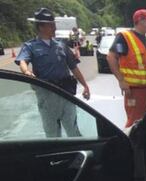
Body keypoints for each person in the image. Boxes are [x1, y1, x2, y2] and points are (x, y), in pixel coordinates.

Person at [15, 7, 91, 137]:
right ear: (41, 27)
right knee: (52, 134)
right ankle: (56, 158)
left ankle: (77, 154)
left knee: (73, 131)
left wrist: (85, 86)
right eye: (51, 25)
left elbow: (74, 67)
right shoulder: (30, 46)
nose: (55, 28)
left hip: (66, 93)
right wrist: (26, 72)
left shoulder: (61, 45)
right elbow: (22, 61)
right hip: (47, 95)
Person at [107, 9, 146, 128]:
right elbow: (111, 57)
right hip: (136, 91)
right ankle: (130, 146)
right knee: (135, 125)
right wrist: (121, 81)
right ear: (140, 21)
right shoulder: (124, 37)